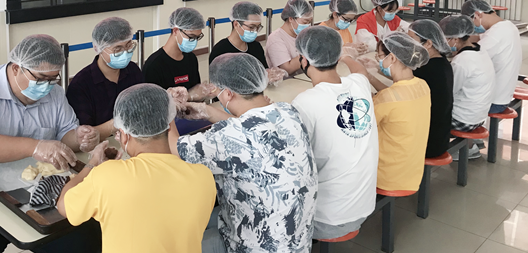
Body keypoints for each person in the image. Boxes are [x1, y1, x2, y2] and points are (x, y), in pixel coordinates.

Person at [0, 35, 101, 253]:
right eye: (41, 78)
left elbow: (65, 136)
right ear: (16, 68)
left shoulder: (54, 94)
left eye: (53, 79)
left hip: (37, 188)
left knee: (85, 244)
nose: (47, 86)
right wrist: (35, 147)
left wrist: (79, 137)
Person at [172, 54, 317, 253]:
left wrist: (168, 108)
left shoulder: (228, 136)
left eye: (219, 92)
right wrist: (208, 111)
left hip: (253, 247)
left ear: (228, 94)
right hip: (298, 241)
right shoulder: (289, 112)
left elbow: (175, 149)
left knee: (178, 241)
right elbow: (250, 128)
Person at [58, 84, 216, 253]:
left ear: (125, 136)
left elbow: (63, 205)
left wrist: (93, 163)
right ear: (169, 126)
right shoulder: (203, 177)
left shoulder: (107, 177)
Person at [291, 26, 378, 241]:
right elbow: (360, 71)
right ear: (337, 56)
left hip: (327, 218)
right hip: (365, 206)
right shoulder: (359, 84)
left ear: (304, 60)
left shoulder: (305, 102)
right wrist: (347, 56)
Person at [365, 33, 431, 192]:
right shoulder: (423, 85)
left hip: (387, 176)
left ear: (392, 58)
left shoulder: (387, 98)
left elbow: (363, 125)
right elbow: (396, 97)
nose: (379, 61)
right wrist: (370, 76)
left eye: (380, 56)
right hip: (412, 172)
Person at [67, 17, 144, 141]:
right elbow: (85, 136)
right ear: (98, 49)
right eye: (118, 49)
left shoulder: (133, 71)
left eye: (128, 46)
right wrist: (115, 124)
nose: (125, 53)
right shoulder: (81, 85)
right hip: (99, 146)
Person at [440, 15, 495, 160]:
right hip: (479, 115)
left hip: (463, 120)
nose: (444, 43)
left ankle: (465, 148)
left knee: (427, 116)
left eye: (446, 39)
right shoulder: (479, 50)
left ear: (455, 39)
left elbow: (448, 92)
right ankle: (471, 144)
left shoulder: (462, 61)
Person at [461, 0, 523, 114]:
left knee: (445, 100)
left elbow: (470, 58)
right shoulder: (507, 26)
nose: (473, 28)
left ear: (478, 15)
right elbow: (478, 38)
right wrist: (457, 37)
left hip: (493, 101)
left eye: (472, 23)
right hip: (503, 96)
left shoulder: (496, 34)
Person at [143, 7, 216, 102]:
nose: (194, 41)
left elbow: (195, 97)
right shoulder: (154, 65)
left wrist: (203, 94)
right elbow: (154, 104)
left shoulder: (191, 59)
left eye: (197, 37)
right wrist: (190, 95)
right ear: (175, 31)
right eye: (191, 37)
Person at [407, 19, 454, 159]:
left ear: (428, 43)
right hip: (440, 137)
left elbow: (399, 92)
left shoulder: (428, 70)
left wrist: (371, 77)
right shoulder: (441, 63)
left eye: (411, 40)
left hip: (427, 142)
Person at [208, 1, 269, 68]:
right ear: (236, 24)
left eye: (258, 27)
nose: (255, 31)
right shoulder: (220, 51)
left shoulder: (256, 47)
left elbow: (264, 70)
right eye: (251, 27)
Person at [265, 0, 313, 75]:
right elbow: (287, 69)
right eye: (305, 22)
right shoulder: (276, 39)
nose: (307, 25)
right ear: (291, 19)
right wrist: (310, 52)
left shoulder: (303, 35)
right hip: (287, 80)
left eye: (309, 22)